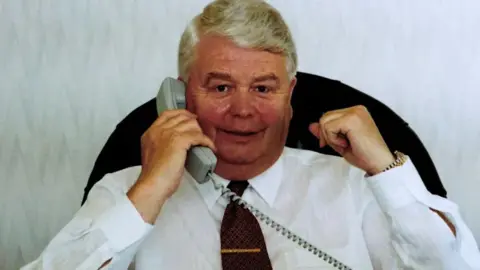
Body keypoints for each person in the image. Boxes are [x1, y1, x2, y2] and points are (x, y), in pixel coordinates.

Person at [23, 0, 480, 269]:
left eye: (264, 88)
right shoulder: (126, 190)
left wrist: (386, 171)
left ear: (291, 95)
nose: (243, 109)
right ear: (181, 97)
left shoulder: (357, 186)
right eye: (221, 87)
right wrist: (150, 191)